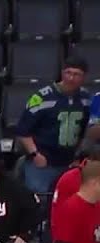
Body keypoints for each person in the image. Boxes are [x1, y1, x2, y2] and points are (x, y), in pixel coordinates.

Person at [17, 58, 91, 194]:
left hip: (70, 163)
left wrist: (78, 156)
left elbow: (85, 129)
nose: (71, 78)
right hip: (43, 162)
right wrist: (35, 154)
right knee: (39, 200)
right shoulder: (41, 97)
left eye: (76, 74)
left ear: (84, 77)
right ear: (62, 73)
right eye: (68, 73)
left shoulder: (85, 98)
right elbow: (23, 132)